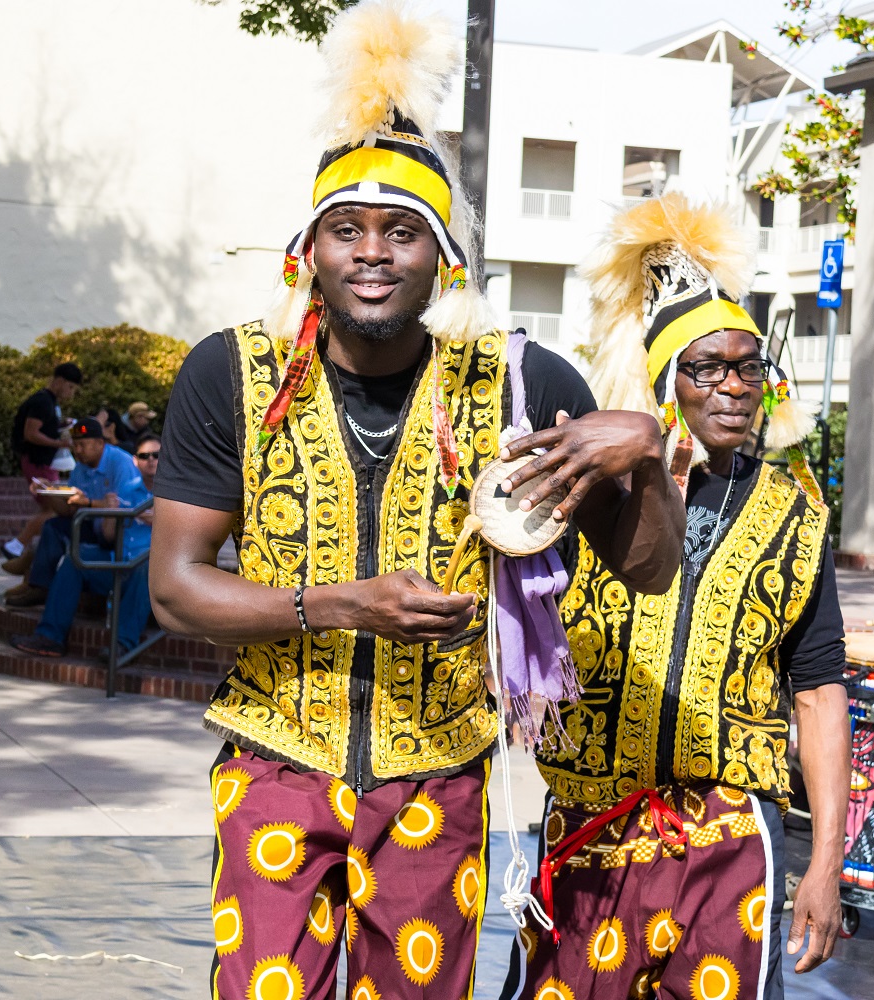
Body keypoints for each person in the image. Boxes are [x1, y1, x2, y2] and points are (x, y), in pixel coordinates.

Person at [147, 6, 684, 997]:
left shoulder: (522, 383)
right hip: (273, 762)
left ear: (444, 257)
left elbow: (648, 568)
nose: (374, 251)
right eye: (345, 228)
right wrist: (345, 603)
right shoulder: (232, 372)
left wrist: (642, 456)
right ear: (307, 250)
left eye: (404, 231)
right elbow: (176, 592)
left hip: (440, 774)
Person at [503, 194, 851, 1000]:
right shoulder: (588, 492)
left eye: (747, 366)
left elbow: (821, 689)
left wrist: (825, 862)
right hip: (590, 827)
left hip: (731, 842)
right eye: (705, 367)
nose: (732, 385)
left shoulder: (798, 515)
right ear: (664, 384)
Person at [9, 433, 160, 657]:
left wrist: (161, 520)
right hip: (120, 560)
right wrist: (111, 515)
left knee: (145, 566)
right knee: (76, 559)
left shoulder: (177, 495)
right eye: (144, 455)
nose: (151, 460)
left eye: (157, 455)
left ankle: (122, 645)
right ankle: (50, 637)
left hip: (152, 570)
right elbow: (109, 536)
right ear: (135, 460)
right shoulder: (126, 489)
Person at [5, 416, 148, 607]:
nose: (77, 451)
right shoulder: (80, 467)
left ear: (99, 443)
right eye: (75, 446)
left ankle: (32, 570)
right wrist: (50, 491)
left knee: (74, 554)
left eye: (83, 445)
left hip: (116, 533)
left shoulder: (120, 462)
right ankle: (38, 586)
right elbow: (69, 510)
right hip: (90, 525)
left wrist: (88, 503)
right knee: (53, 527)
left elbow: (124, 506)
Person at [3, 362, 83, 568]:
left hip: (44, 461)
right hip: (38, 461)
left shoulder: (50, 403)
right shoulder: (42, 402)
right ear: (60, 382)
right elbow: (31, 433)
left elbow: (43, 428)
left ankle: (21, 545)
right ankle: (18, 544)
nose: (71, 393)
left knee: (51, 507)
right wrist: (60, 443)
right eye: (70, 387)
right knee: (53, 508)